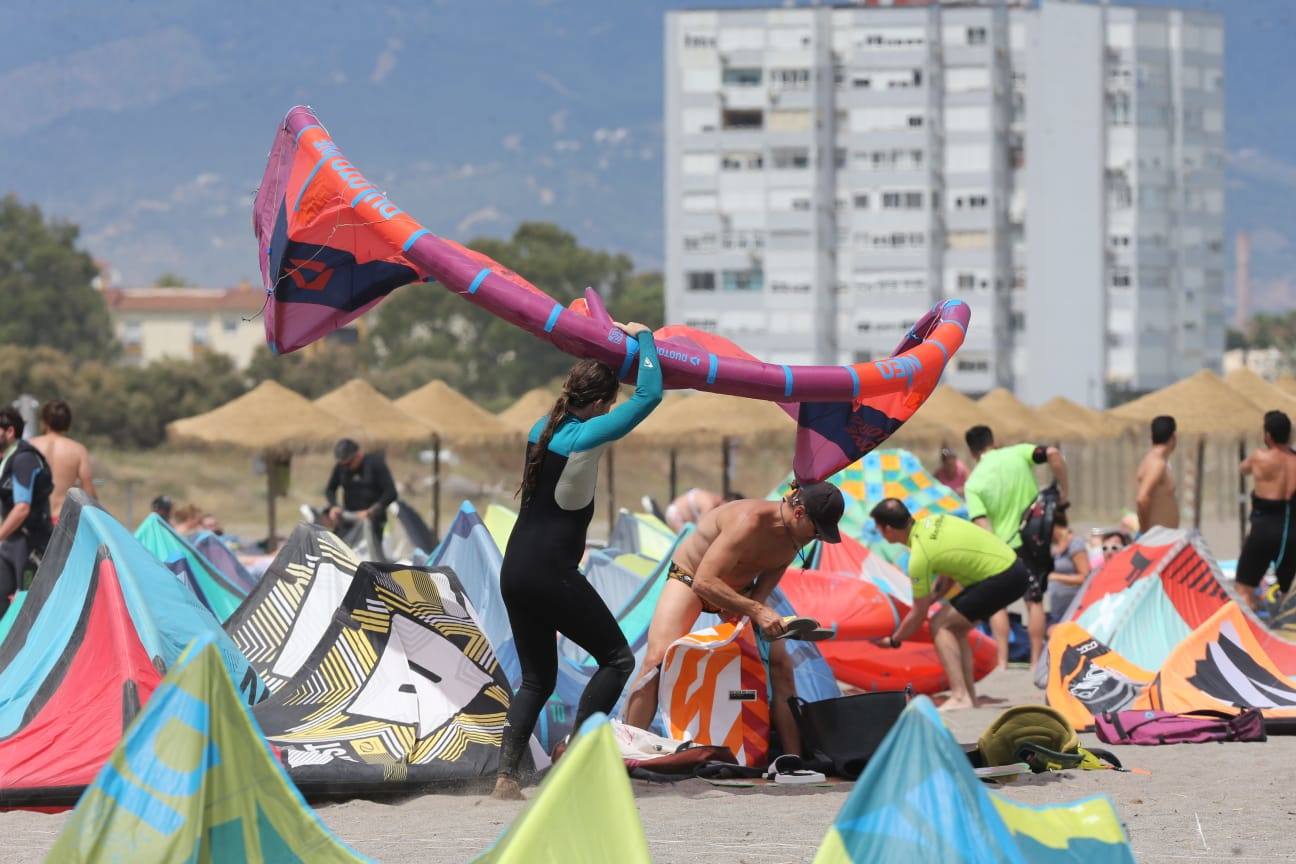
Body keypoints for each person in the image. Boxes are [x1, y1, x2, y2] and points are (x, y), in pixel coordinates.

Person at [493, 322, 662, 801]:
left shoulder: (541, 429)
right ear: (598, 404)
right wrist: (645, 338)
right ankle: (575, 757)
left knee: (538, 678)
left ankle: (506, 777)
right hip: (550, 573)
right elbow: (649, 396)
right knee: (617, 658)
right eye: (608, 404)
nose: (610, 412)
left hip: (516, 570)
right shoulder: (587, 435)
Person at [622, 481, 846, 757]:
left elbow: (761, 595)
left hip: (738, 591)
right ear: (799, 513)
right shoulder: (748, 521)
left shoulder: (795, 538)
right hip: (691, 578)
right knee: (656, 660)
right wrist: (757, 611)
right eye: (817, 531)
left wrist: (764, 623)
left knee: (781, 666)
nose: (817, 539)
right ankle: (628, 750)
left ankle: (792, 761)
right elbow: (704, 582)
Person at [870, 499, 1029, 711]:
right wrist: (931, 600)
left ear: (887, 529)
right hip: (1013, 567)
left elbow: (919, 614)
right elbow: (946, 578)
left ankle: (960, 696)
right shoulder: (934, 521)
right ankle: (968, 696)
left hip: (1002, 577)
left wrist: (894, 640)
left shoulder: (919, 555)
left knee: (939, 624)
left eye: (878, 529)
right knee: (957, 628)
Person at [963, 424, 1069, 670]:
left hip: (1000, 546)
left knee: (998, 603)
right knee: (1035, 600)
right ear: (994, 441)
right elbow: (1052, 453)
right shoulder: (1017, 453)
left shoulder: (973, 482)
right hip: (1033, 538)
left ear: (971, 451)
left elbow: (982, 524)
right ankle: (1035, 661)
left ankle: (1002, 661)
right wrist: (1064, 491)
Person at [1235, 410, 1296, 611]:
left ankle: (1248, 638)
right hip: (1290, 534)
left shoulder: (1259, 458)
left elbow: (1242, 469)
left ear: (1267, 435)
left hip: (1262, 531)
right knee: (1289, 595)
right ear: (1289, 434)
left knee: (1244, 590)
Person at [0, 407, 53, 617]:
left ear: (10, 432)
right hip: (10, 544)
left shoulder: (24, 460)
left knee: (29, 603)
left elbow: (22, 508)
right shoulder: (7, 459)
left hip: (29, 546)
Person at [29, 399, 97, 519]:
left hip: (35, 519)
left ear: (44, 421)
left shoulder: (30, 446)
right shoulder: (78, 450)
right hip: (63, 520)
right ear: (68, 423)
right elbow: (89, 492)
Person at [324, 438, 398, 545]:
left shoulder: (375, 464)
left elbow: (391, 493)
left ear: (358, 455)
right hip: (348, 519)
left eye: (348, 464)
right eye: (343, 465)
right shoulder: (341, 467)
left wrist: (371, 512)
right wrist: (334, 505)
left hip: (372, 522)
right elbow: (330, 490)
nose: (346, 467)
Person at [1135, 415, 1179, 533]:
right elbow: (1142, 498)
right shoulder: (1156, 463)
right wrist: (1145, 532)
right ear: (1174, 436)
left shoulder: (1158, 461)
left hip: (1162, 537)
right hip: (1156, 539)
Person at [1044, 512, 1090, 622]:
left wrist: (1055, 577)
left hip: (1074, 611)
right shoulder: (1055, 547)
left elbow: (1085, 577)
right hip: (1058, 611)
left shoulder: (1075, 544)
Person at [664, 488, 736, 533]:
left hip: (677, 514)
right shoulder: (709, 504)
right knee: (686, 544)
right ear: (725, 501)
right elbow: (701, 527)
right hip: (676, 515)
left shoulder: (712, 499)